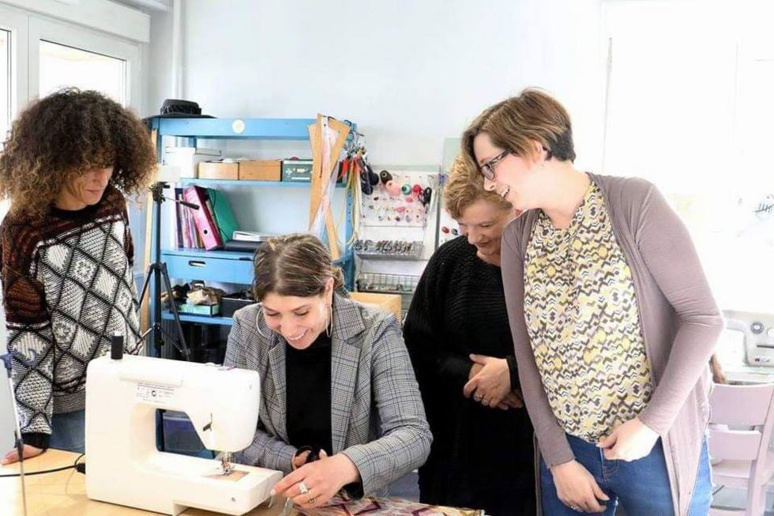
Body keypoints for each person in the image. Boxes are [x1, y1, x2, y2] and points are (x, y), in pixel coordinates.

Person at [460, 88, 722, 515]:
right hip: (568, 452)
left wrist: (651, 425)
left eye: (491, 165)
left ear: (535, 146)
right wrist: (559, 459)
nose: (490, 182)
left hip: (650, 447)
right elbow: (527, 359)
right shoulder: (518, 238)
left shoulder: (633, 203)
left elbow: (703, 318)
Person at [0, 88, 156, 464]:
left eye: (106, 163)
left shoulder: (113, 204)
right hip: (70, 408)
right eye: (85, 164)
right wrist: (35, 425)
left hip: (130, 386)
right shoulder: (22, 231)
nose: (99, 177)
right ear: (53, 162)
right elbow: (26, 333)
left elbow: (123, 292)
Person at [224, 233, 431, 510]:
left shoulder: (375, 330)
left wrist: (345, 466)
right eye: (272, 314)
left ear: (328, 289)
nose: (289, 330)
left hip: (353, 500)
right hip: (270, 492)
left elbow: (414, 435)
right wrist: (291, 457)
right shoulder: (248, 325)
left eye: (301, 313)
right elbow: (232, 427)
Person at [403, 157, 536, 515]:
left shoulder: (545, 265)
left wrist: (511, 371)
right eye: (463, 226)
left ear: (518, 208)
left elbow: (572, 349)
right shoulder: (451, 260)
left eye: (487, 224)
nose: (475, 238)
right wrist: (472, 374)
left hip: (531, 447)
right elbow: (417, 345)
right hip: (456, 442)